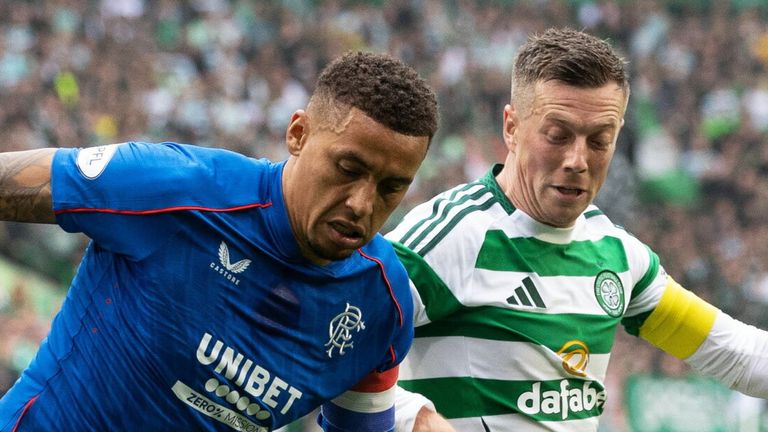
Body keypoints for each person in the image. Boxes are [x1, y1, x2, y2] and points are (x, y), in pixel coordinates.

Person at [0, 51, 439, 432]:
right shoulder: (178, 189)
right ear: (298, 135)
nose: (363, 204)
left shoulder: (383, 304)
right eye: (348, 168)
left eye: (391, 188)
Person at [391, 27, 768, 431]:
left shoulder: (618, 256)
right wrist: (419, 419)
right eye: (558, 136)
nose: (577, 159)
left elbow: (736, 354)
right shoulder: (451, 237)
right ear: (512, 127)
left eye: (599, 141)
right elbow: (333, 346)